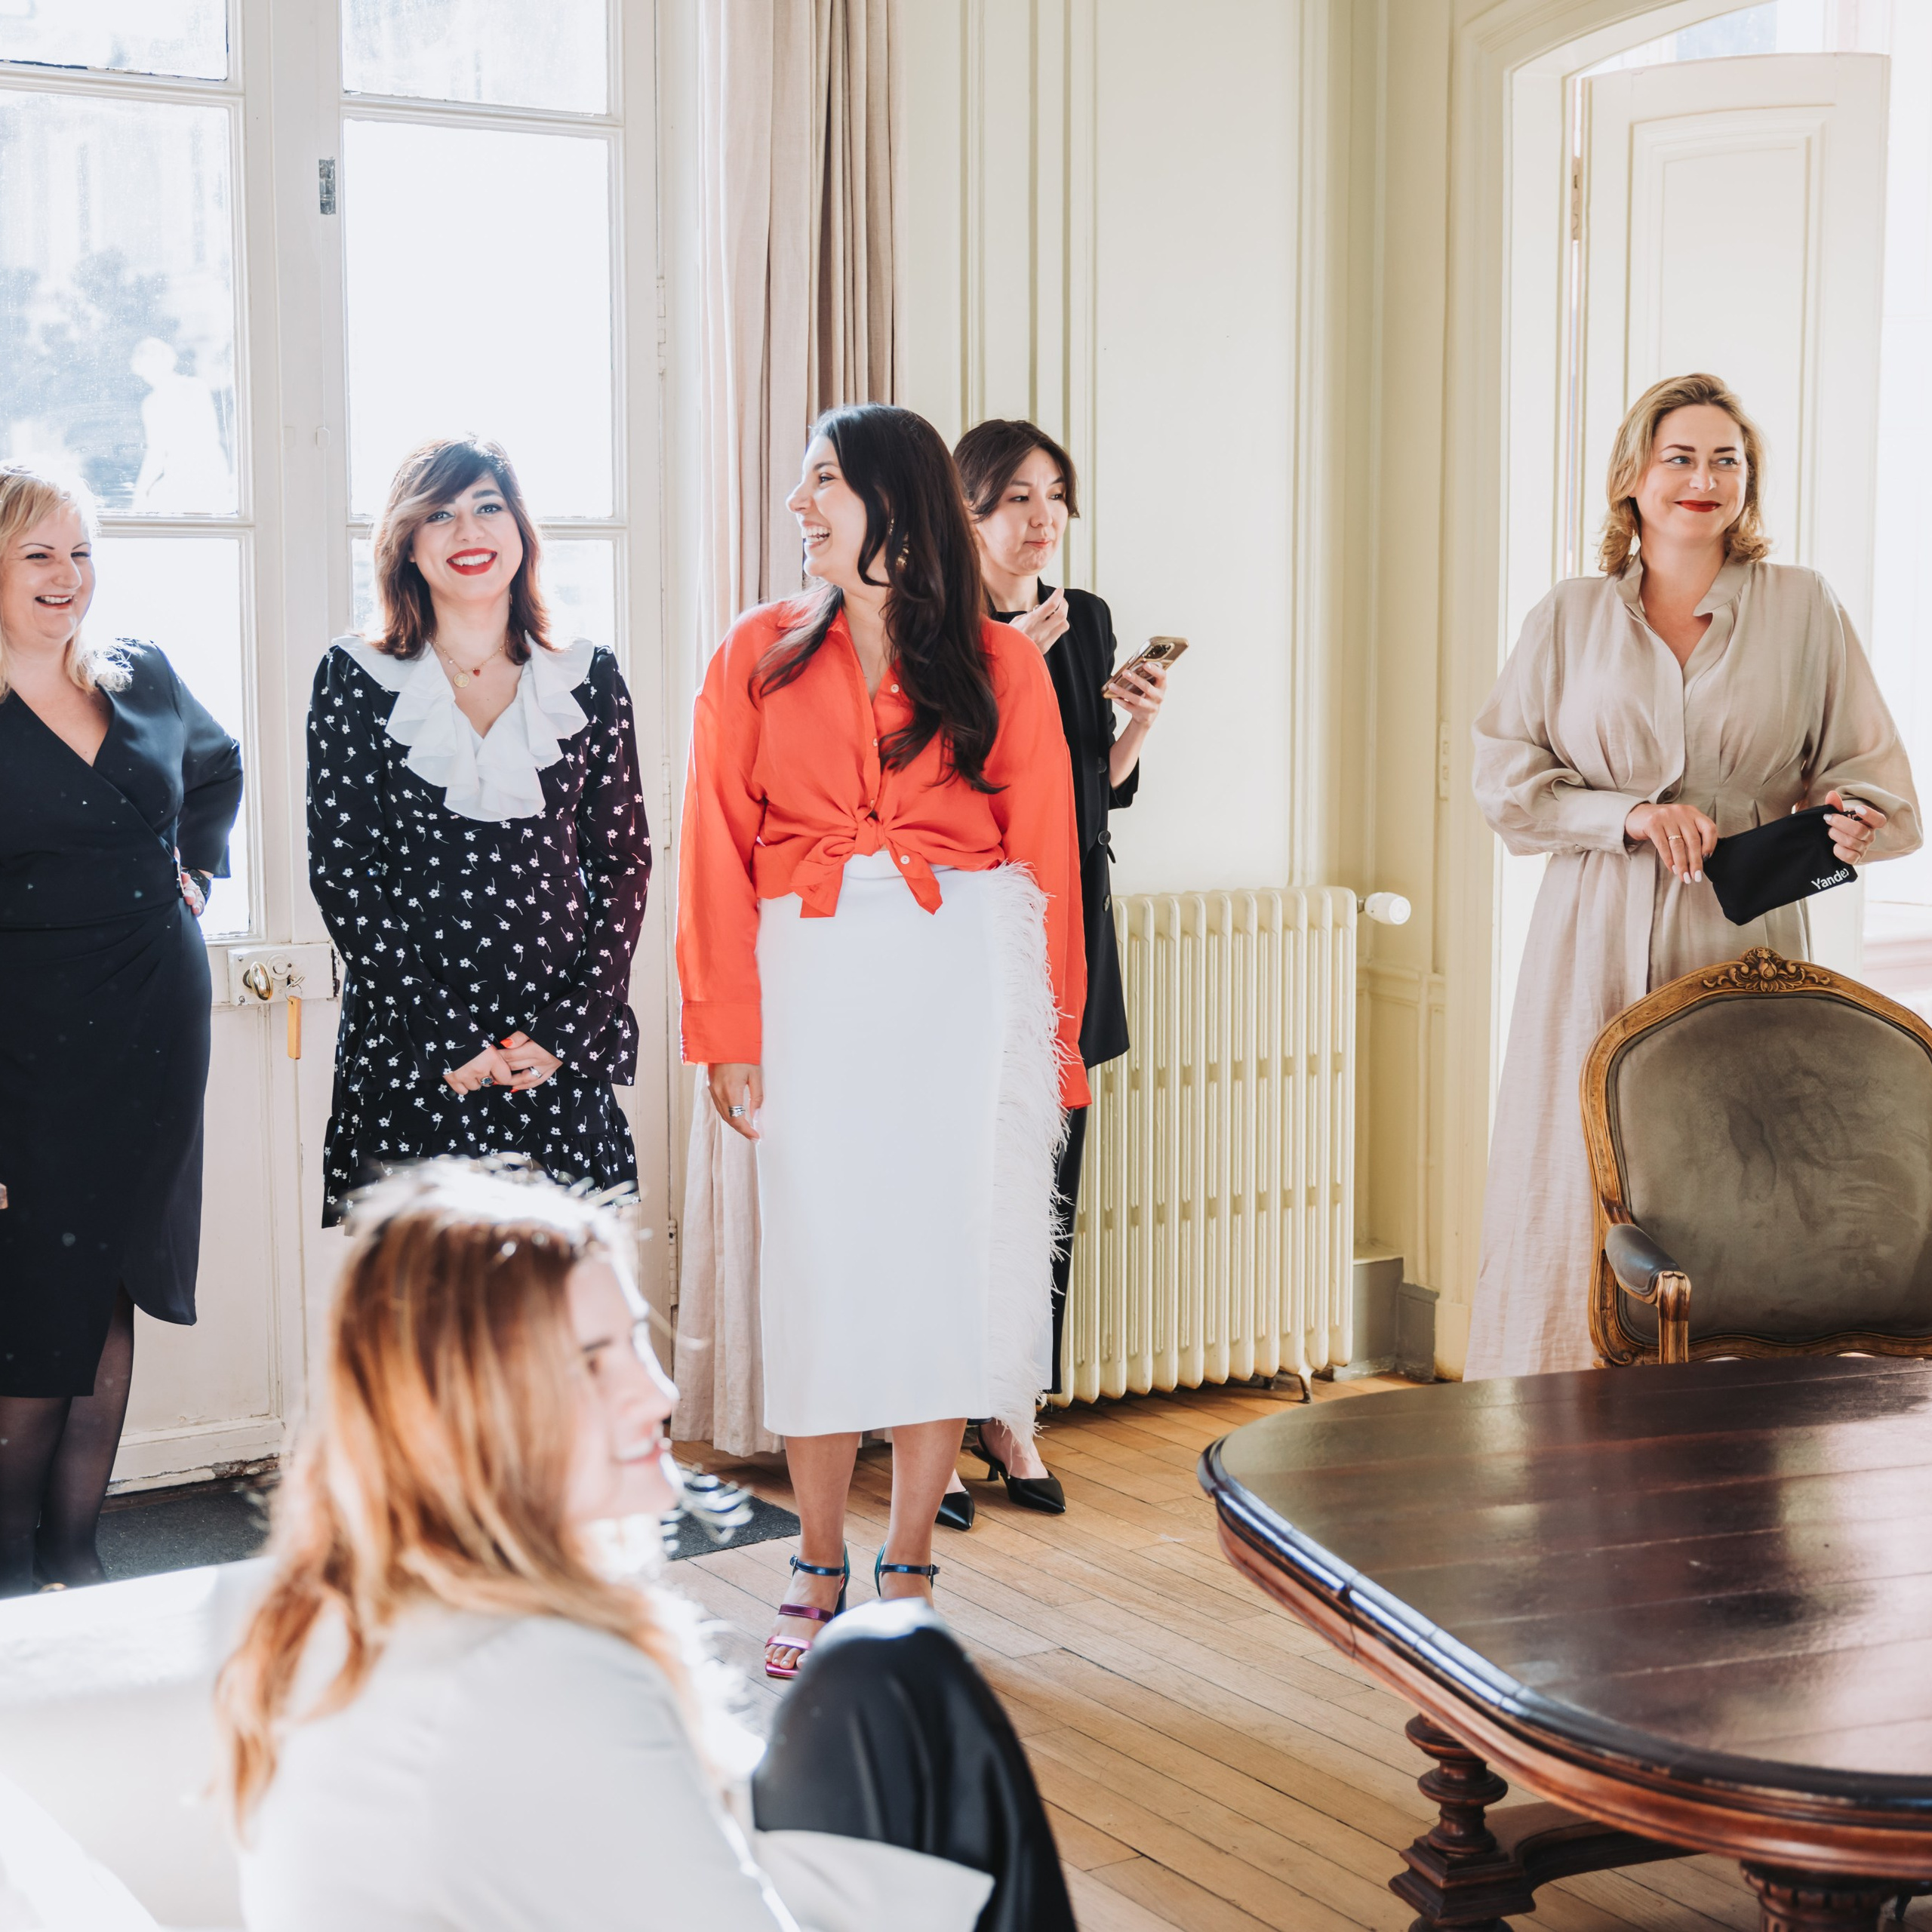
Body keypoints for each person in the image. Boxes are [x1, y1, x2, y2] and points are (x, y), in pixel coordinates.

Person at [216, 1161, 1073, 1932]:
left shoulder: (345, 1608)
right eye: (595, 1360)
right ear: (470, 1407)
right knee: (895, 1664)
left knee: (882, 1669)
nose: (656, 1390)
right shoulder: (536, 1672)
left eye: (637, 1340)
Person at [677, 403, 1088, 1679]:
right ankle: (814, 1561)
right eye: (804, 488)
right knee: (818, 1271)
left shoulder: (1002, 665)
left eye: (824, 486)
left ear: (893, 505)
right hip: (806, 980)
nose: (801, 509)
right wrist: (723, 1032)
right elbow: (710, 857)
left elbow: (1049, 869)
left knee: (936, 1270)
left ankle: (907, 1567)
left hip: (956, 983)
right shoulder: (754, 654)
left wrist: (1055, 1048)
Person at [1468, 372, 1921, 1378]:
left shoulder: (1804, 606)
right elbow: (1504, 782)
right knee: (1579, 1161)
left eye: (1728, 459)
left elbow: (1880, 789)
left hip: (1743, 928)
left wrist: (1845, 824)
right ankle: (1562, 1406)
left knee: (1737, 1160)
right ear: (1634, 475)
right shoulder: (1569, 615)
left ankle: (1730, 1421)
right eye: (1680, 456)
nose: (1703, 478)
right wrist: (1625, 814)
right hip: (1591, 927)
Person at [0, 463, 242, 1595]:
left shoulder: (139, 675)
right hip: (28, 1049)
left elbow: (218, 765)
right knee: (29, 1301)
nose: (68, 576)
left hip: (153, 1022)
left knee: (105, 1283)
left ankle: (74, 1554)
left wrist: (197, 864)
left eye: (81, 551)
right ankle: (10, 1566)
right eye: (39, 553)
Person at [306, 436, 650, 1226]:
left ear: (521, 530)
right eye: (440, 514)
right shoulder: (355, 676)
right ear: (407, 547)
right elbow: (346, 873)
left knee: (560, 1312)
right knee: (421, 1319)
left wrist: (571, 1027)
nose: (469, 531)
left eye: (488, 506)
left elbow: (623, 860)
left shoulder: (589, 676)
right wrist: (446, 1036)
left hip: (553, 1050)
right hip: (417, 1047)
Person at [944, 418, 1167, 1524]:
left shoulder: (1085, 621)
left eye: (1056, 499)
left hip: (1074, 920)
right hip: (970, 928)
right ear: (967, 511)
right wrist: (1007, 668)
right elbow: (944, 783)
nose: (1042, 521)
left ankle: (1010, 1416)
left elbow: (1087, 781)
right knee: (955, 1182)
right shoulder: (928, 624)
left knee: (1051, 1181)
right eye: (1016, 500)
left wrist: (1130, 733)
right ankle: (935, 1424)